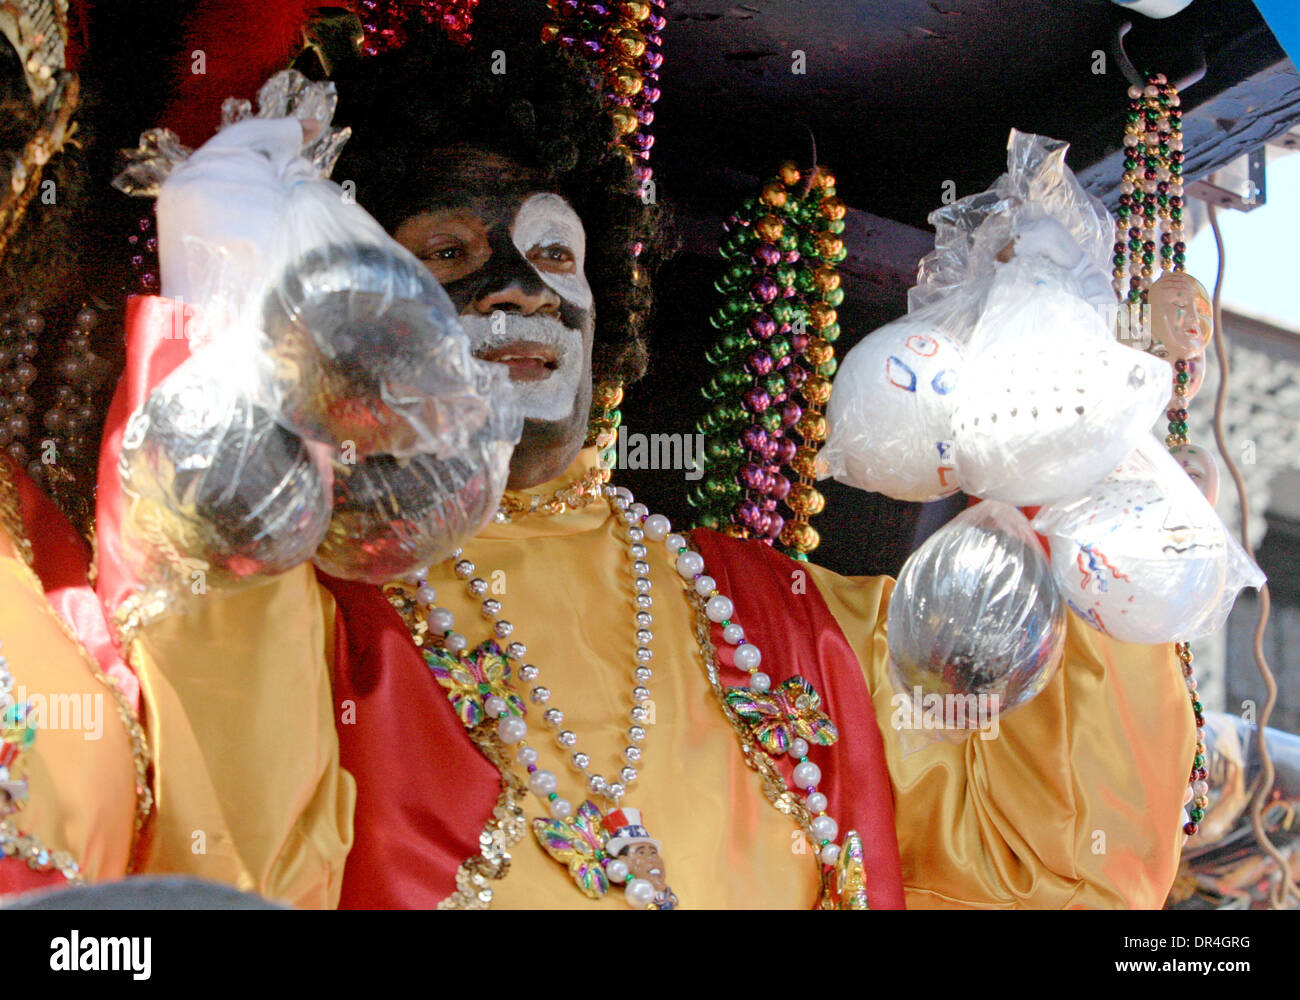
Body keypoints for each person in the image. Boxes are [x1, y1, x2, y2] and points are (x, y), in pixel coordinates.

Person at [114, 15, 1193, 909]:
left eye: (552, 254)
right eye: (447, 251)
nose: (517, 289)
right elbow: (225, 865)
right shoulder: (311, 609)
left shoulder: (792, 626)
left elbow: (1053, 867)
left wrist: (1080, 440)